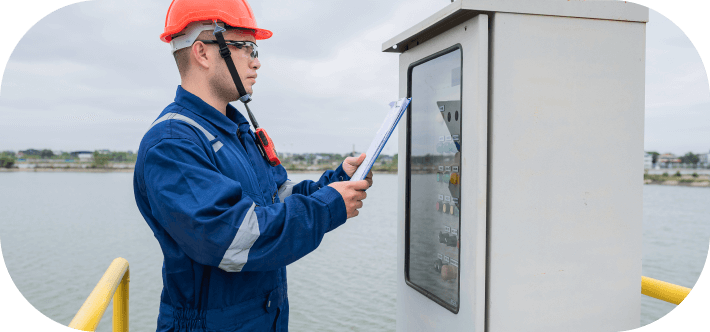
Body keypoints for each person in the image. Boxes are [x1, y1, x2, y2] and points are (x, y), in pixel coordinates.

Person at [133, 0, 373, 331]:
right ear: (203, 53)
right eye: (246, 47)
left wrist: (336, 181)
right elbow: (233, 238)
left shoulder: (236, 132)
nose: (256, 62)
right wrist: (328, 206)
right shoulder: (173, 144)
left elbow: (276, 197)